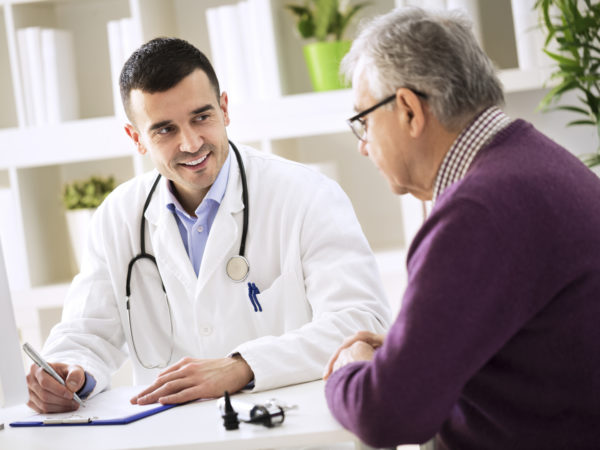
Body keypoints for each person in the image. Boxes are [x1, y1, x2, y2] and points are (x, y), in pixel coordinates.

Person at [26, 37, 391, 413]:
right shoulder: (118, 215)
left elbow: (359, 321)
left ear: (225, 109)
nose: (191, 142)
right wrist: (69, 372)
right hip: (175, 435)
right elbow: (87, 332)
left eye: (202, 117)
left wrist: (243, 366)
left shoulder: (307, 195)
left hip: (291, 428)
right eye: (165, 130)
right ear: (136, 138)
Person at [323, 7, 600, 450]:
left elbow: (387, 415)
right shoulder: (536, 163)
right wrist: (405, 352)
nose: (362, 146)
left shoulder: (478, 210)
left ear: (410, 111)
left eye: (364, 120)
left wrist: (349, 370)